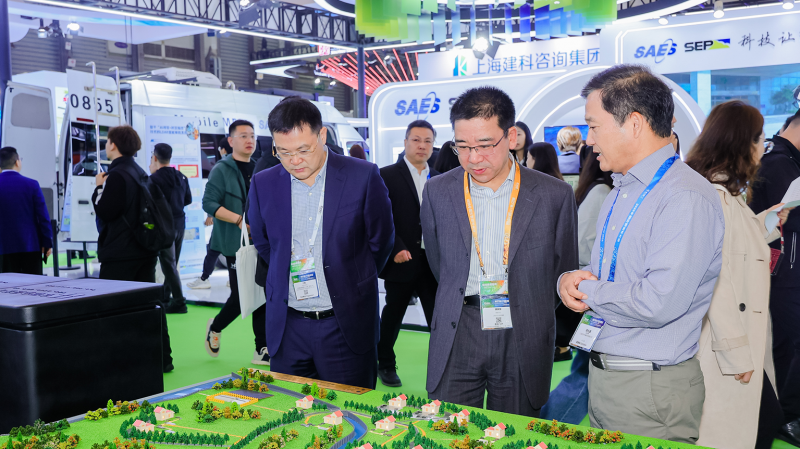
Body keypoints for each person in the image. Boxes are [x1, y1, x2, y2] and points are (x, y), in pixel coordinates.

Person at [557, 65, 725, 443]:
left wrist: (588, 290)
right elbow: (605, 271)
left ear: (633, 124)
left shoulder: (683, 196)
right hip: (610, 378)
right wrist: (571, 278)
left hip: (649, 389)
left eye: (594, 126)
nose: (588, 139)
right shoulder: (621, 189)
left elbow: (657, 302)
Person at [421, 86, 578, 416]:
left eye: (484, 145)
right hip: (458, 327)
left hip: (524, 330)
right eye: (462, 146)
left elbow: (562, 270)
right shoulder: (438, 191)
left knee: (515, 430)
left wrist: (528, 307)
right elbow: (439, 264)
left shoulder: (554, 195)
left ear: (511, 136)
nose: (473, 158)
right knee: (450, 428)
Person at [248, 96, 394, 389]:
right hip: (287, 326)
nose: (294, 161)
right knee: (288, 409)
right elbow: (265, 244)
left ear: (322, 135)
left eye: (303, 150)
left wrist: (351, 277)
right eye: (283, 152)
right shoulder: (264, 183)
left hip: (345, 322)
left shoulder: (362, 176)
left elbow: (381, 241)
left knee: (350, 410)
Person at [687, 100, 792, 449]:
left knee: (760, 421)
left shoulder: (721, 193)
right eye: (760, 139)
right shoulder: (716, 197)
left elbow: (736, 247)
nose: (763, 147)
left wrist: (767, 221)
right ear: (743, 143)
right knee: (757, 424)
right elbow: (717, 280)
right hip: (726, 344)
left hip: (734, 342)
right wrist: (736, 353)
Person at [92, 125, 174, 372]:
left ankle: (118, 362)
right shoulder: (139, 172)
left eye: (108, 141)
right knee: (150, 305)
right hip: (145, 249)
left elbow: (106, 211)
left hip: (120, 252)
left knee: (114, 308)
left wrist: (98, 188)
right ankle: (162, 358)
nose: (106, 145)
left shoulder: (117, 175)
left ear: (114, 145)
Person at [542, 150, 613, 425]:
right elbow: (584, 246)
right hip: (593, 295)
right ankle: (548, 426)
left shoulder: (596, 191)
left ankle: (547, 424)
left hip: (590, 294)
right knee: (585, 372)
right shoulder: (603, 192)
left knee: (585, 370)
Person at [377, 120, 440, 388]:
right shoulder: (386, 175)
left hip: (432, 262)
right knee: (393, 316)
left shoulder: (440, 178)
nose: (422, 146)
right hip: (401, 259)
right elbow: (381, 218)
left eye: (428, 141)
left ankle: (443, 368)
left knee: (438, 319)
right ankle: (385, 364)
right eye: (416, 140)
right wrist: (395, 247)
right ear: (405, 142)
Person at [750, 109, 800, 446]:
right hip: (783, 272)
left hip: (783, 270)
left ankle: (785, 414)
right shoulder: (779, 163)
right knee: (787, 344)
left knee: (785, 344)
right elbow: (782, 221)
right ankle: (787, 415)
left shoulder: (786, 161)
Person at [202, 119, 269, 365]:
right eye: (243, 136)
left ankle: (261, 348)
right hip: (234, 244)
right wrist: (239, 220)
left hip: (261, 241)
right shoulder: (222, 169)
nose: (249, 140)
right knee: (241, 296)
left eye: (252, 135)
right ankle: (215, 327)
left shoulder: (260, 166)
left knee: (261, 292)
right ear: (231, 141)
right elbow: (208, 203)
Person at [149, 143, 192, 314]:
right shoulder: (181, 177)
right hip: (180, 224)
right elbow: (188, 199)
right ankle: (165, 298)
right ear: (170, 157)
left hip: (164, 227)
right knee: (171, 265)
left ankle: (180, 302)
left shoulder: (153, 179)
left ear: (155, 157)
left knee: (168, 265)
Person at [0, 147, 53, 275]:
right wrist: (47, 242)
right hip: (30, 246)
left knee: (6, 285)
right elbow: (43, 217)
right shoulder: (32, 184)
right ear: (17, 162)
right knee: (32, 284)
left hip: (3, 248)